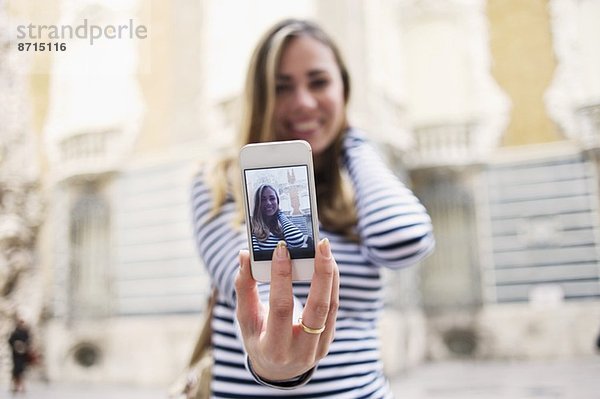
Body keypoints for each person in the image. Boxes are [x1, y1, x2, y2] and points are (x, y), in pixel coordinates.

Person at [191, 18, 434, 398]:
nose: (303, 102)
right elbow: (254, 285)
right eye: (281, 88)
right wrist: (276, 362)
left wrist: (351, 140)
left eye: (319, 82)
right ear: (260, 98)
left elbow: (403, 241)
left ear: (343, 88)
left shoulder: (361, 184)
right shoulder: (220, 182)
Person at [250, 184, 305, 252]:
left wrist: (279, 212)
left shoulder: (283, 227)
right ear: (258, 203)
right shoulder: (252, 228)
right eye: (263, 199)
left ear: (277, 201)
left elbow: (297, 242)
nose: (268, 203)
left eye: (272, 198)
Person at [8, 318, 32, 394]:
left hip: (22, 356)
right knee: (16, 372)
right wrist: (16, 345)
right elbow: (10, 341)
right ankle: (15, 387)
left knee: (21, 372)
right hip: (16, 356)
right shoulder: (14, 333)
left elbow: (28, 342)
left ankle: (22, 387)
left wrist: (24, 347)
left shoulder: (25, 333)